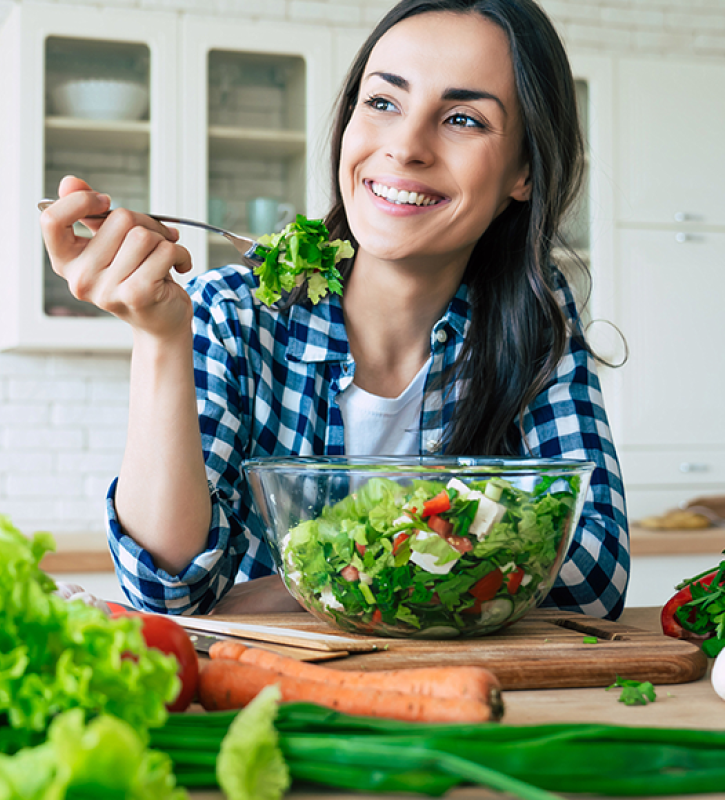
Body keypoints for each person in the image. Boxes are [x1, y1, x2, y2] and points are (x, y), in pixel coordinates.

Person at [40, 0, 629, 620]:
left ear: (526, 171)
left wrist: (301, 584)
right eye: (382, 102)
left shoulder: (537, 320)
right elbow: (172, 594)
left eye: (462, 118)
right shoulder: (233, 314)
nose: (405, 146)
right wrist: (159, 338)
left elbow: (593, 578)